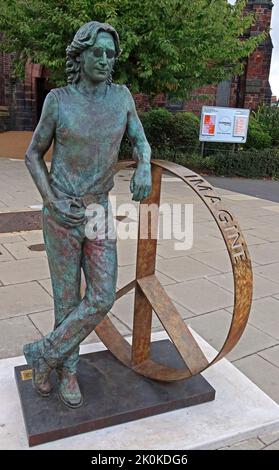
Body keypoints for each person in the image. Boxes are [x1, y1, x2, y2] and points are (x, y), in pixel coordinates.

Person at [23, 21, 152, 408]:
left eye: (110, 53)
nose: (104, 59)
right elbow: (32, 154)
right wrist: (51, 201)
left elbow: (141, 141)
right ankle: (68, 371)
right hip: (61, 210)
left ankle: (43, 353)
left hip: (98, 209)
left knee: (101, 295)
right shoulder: (58, 100)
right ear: (80, 54)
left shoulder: (122, 98)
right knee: (66, 300)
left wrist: (143, 163)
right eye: (97, 51)